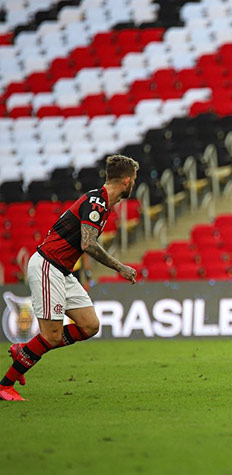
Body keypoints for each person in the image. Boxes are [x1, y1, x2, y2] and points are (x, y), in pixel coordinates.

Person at [1, 155, 139, 401]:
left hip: (63, 271)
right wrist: (120, 267)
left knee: (89, 325)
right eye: (134, 180)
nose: (134, 184)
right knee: (51, 335)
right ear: (127, 181)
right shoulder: (97, 202)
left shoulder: (101, 202)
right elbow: (87, 243)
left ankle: (25, 350)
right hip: (48, 265)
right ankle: (5, 385)